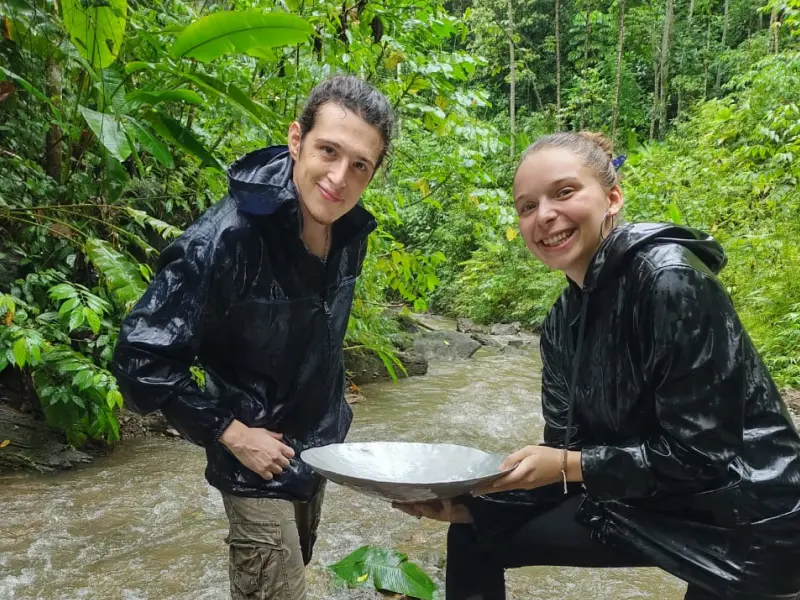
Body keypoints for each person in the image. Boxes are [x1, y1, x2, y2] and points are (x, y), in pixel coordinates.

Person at [396, 131, 800, 600]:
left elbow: (702, 458)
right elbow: (569, 459)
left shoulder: (672, 281)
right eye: (527, 206)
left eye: (564, 193)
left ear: (612, 197)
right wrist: (476, 503)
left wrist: (567, 464)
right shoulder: (562, 322)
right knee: (477, 531)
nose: (544, 215)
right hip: (656, 501)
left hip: (750, 518)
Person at [112, 75, 394, 600]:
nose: (338, 177)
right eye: (327, 151)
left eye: (360, 165)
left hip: (317, 449)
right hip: (252, 462)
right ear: (296, 140)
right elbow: (138, 360)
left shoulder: (350, 229)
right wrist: (231, 433)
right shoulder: (223, 240)